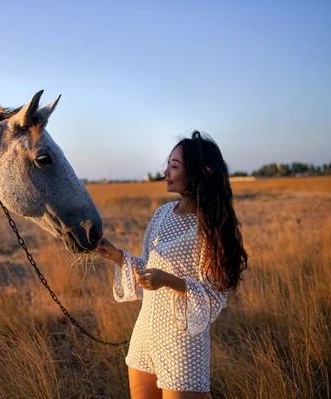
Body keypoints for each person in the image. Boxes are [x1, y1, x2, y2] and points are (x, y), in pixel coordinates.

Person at [96, 131, 248, 399]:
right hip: (145, 333)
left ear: (199, 173)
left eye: (175, 166)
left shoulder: (212, 225)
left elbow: (215, 293)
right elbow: (148, 267)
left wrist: (168, 281)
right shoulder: (162, 213)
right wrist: (118, 256)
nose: (165, 171)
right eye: (168, 163)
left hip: (182, 343)